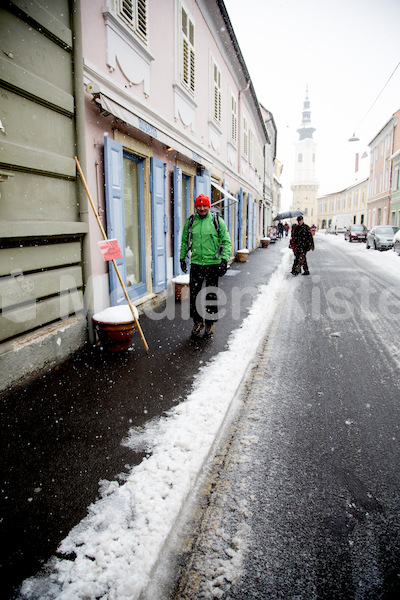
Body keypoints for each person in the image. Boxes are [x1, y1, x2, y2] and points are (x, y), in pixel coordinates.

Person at [180, 194, 232, 338]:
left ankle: (209, 322)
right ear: (196, 207)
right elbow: (185, 241)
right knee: (194, 295)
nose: (202, 208)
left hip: (212, 264)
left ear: (209, 206)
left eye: (204, 206)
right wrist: (182, 258)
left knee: (211, 295)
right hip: (196, 264)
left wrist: (223, 260)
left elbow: (226, 242)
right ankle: (198, 322)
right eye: (199, 206)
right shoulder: (191, 222)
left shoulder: (217, 221)